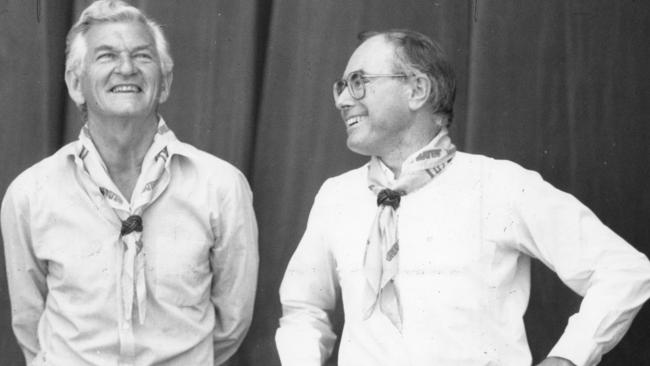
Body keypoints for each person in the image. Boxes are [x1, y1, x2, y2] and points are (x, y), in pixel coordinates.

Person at [275, 29, 650, 366]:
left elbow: (624, 270)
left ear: (417, 90)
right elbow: (302, 307)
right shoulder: (336, 197)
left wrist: (568, 358)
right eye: (340, 86)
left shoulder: (499, 185)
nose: (343, 100)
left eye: (358, 82)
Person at [1, 1, 258, 365]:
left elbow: (232, 321)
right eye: (106, 56)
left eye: (142, 56)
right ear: (76, 83)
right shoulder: (30, 194)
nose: (126, 68)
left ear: (165, 82)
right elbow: (29, 323)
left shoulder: (221, 187)